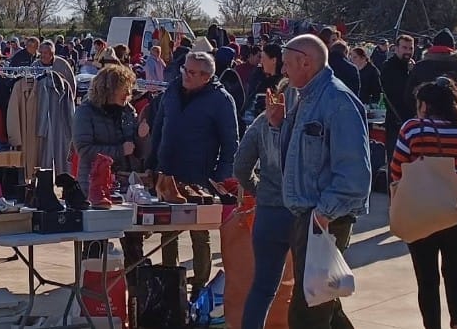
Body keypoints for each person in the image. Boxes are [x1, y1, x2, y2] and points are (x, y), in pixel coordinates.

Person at [271, 34, 370, 329]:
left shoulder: (338, 101)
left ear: (307, 62)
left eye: (288, 64)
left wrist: (323, 215)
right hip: (309, 217)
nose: (283, 72)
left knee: (308, 312)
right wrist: (279, 126)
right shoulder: (305, 97)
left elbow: (355, 174)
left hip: (326, 219)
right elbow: (297, 160)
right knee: (323, 304)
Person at [148, 51, 239, 300]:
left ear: (207, 77)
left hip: (200, 176)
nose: (186, 75)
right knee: (168, 230)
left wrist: (221, 177)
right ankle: (170, 281)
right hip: (167, 172)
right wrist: (151, 162)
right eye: (185, 70)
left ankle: (199, 286)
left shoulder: (221, 99)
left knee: (200, 233)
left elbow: (231, 143)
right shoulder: (173, 91)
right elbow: (159, 126)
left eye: (193, 73)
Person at [391, 77, 457, 329]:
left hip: (419, 213)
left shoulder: (412, 129)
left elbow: (397, 169)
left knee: (427, 279)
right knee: (455, 274)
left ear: (426, 105)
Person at [234, 78, 294, 329]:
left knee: (263, 287)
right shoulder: (306, 124)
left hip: (269, 212)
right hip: (299, 212)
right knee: (311, 286)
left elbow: (240, 167)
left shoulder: (260, 123)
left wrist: (259, 190)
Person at [72, 63, 144, 268]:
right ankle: (90, 290)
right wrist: (121, 150)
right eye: (124, 87)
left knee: (133, 243)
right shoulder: (86, 112)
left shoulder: (128, 111)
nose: (129, 93)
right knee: (95, 243)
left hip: (123, 185)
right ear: (109, 88)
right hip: (93, 186)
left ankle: (136, 293)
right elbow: (84, 150)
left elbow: (134, 144)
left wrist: (143, 136)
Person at [406, 29, 457, 118]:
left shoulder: (420, 67)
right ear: (453, 48)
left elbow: (408, 96)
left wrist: (419, 114)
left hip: (426, 123)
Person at [381, 35, 417, 161]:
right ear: (396, 49)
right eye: (404, 48)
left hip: (412, 123)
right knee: (395, 160)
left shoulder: (412, 67)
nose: (408, 51)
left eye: (410, 48)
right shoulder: (389, 67)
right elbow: (399, 93)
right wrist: (411, 74)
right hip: (396, 122)